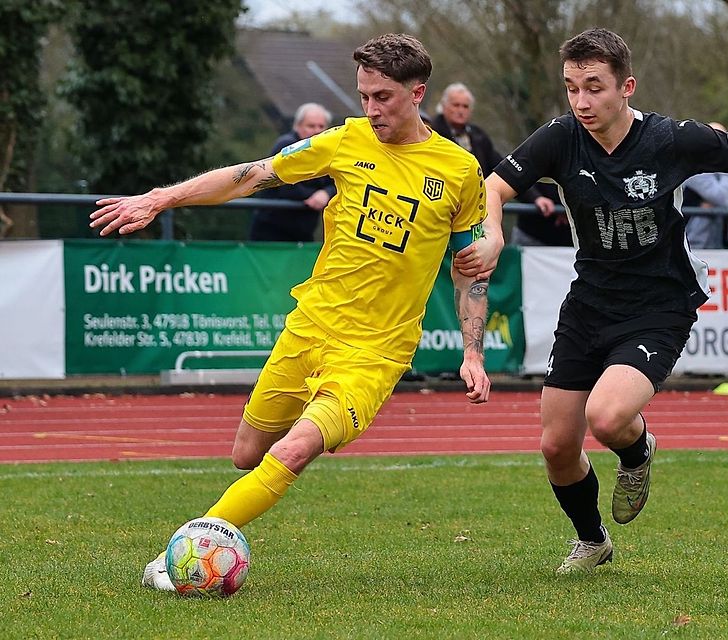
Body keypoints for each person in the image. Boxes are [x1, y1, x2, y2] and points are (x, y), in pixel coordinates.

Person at [454, 28, 728, 574]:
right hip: (589, 303)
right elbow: (493, 185)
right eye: (571, 88)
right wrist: (492, 234)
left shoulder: (671, 140)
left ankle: (637, 452)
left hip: (659, 303)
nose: (582, 102)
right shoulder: (560, 139)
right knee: (557, 447)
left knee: (607, 419)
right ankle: (593, 542)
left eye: (595, 87)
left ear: (626, 86)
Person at [90, 33, 493, 591]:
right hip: (311, 325)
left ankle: (186, 554)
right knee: (246, 453)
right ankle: (216, 528)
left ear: (417, 92)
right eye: (364, 96)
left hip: (375, 351)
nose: (370, 109)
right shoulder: (346, 141)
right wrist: (160, 197)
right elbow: (253, 174)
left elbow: (470, 265)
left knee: (294, 449)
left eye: (382, 97)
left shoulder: (459, 170)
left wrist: (472, 352)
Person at [431, 82, 567, 246]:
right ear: (444, 106)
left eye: (465, 106)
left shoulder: (478, 137)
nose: (460, 110)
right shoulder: (432, 135)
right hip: (441, 215)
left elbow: (506, 171)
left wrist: (536, 198)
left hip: (475, 217)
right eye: (456, 105)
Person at [248, 103, 336, 242]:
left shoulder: (328, 152)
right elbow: (286, 187)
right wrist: (315, 196)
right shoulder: (286, 146)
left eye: (321, 126)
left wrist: (326, 193)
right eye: (311, 126)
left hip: (303, 232)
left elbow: (337, 182)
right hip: (271, 229)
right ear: (298, 126)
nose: (316, 131)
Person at [681, 122, 728, 249]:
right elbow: (722, 196)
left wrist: (719, 206)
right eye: (713, 138)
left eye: (722, 138)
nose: (718, 144)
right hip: (696, 245)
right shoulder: (693, 168)